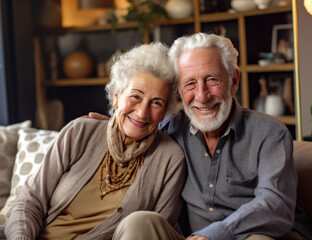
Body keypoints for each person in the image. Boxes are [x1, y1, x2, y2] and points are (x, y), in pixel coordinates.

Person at [104, 33, 312, 240]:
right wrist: (106, 125)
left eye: (212, 80)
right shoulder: (171, 129)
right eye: (190, 83)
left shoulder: (269, 133)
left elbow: (276, 204)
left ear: (234, 81)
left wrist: (214, 234)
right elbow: (137, 128)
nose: (202, 96)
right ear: (179, 90)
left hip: (256, 234)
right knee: (139, 223)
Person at [3, 42, 186, 239]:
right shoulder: (81, 132)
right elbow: (30, 200)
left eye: (156, 103)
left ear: (164, 113)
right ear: (116, 97)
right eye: (135, 96)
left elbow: (155, 231)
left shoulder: (169, 159)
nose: (142, 112)